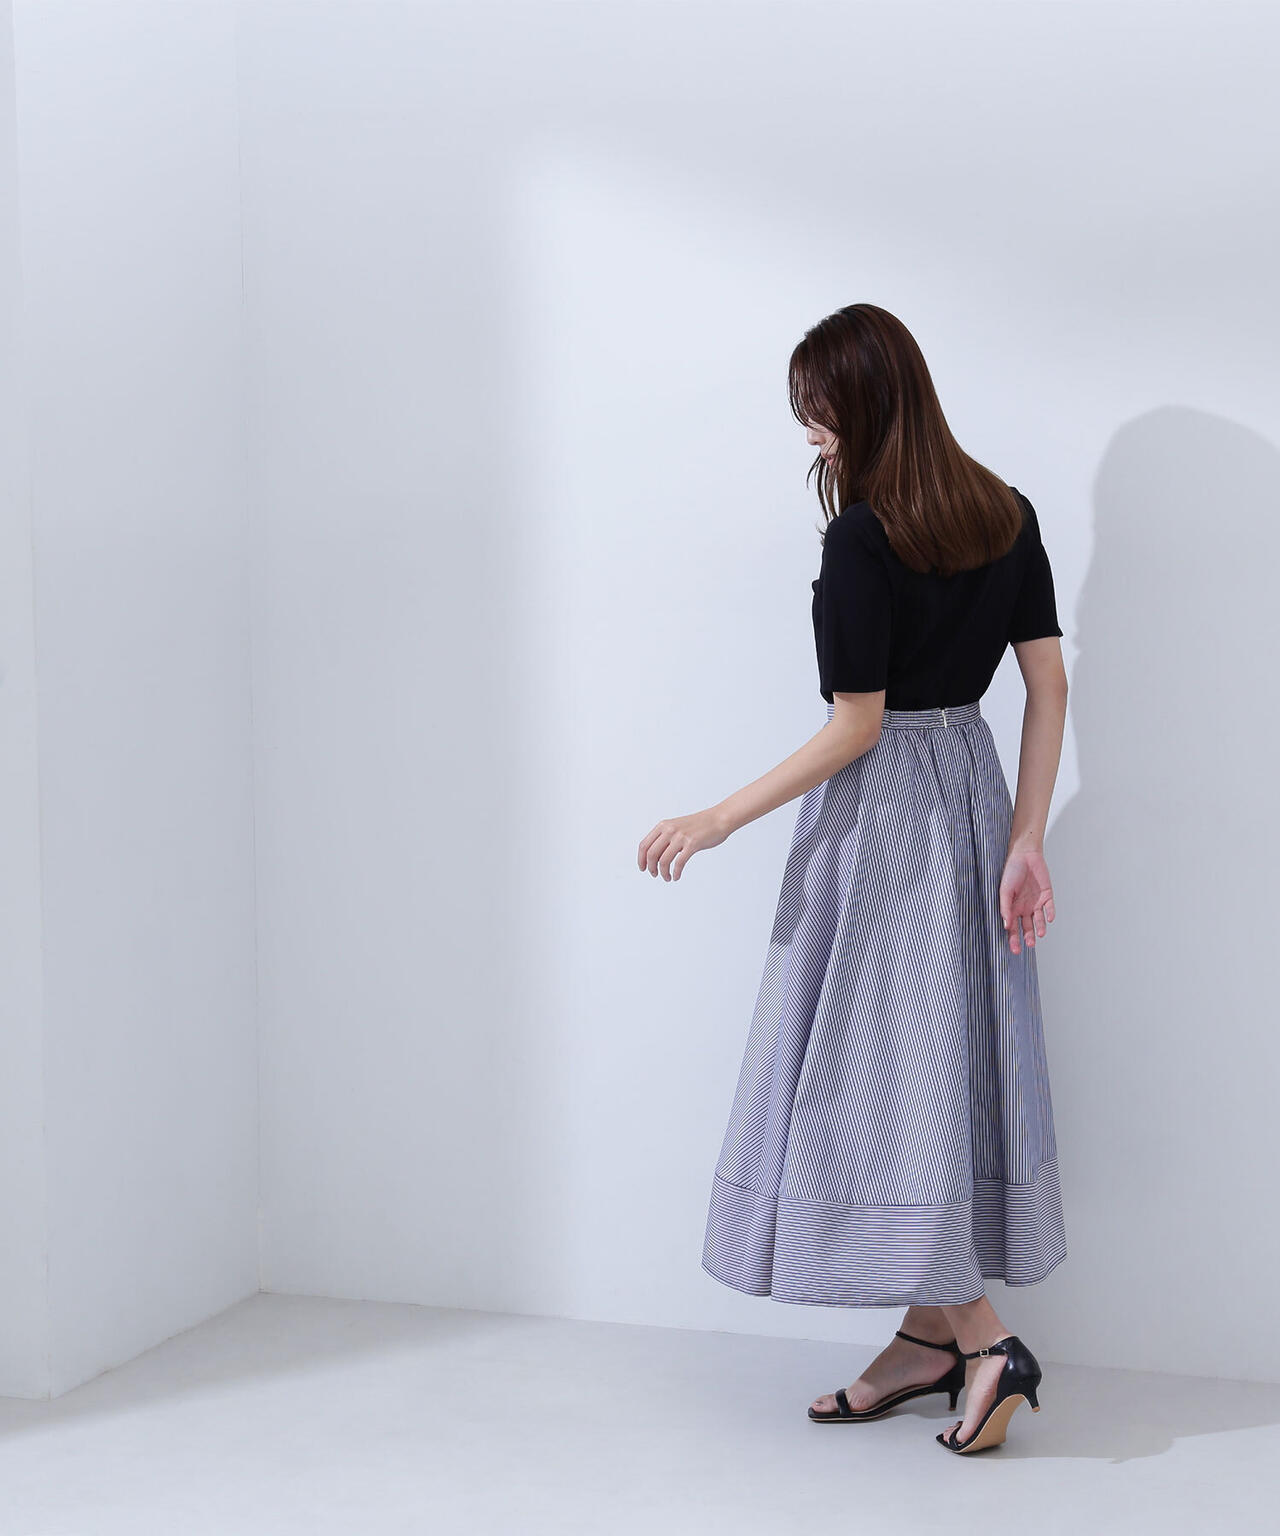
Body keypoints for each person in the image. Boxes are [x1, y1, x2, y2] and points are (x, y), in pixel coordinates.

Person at [637, 303, 1069, 1456]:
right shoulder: (1005, 510)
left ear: (868, 406)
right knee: (932, 1073)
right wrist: (1024, 836)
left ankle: (984, 1340)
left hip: (884, 826)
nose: (811, 434)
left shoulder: (864, 540)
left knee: (869, 1083)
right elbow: (1046, 687)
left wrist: (715, 818)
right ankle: (926, 1343)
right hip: (973, 796)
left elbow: (856, 727)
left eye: (820, 412)